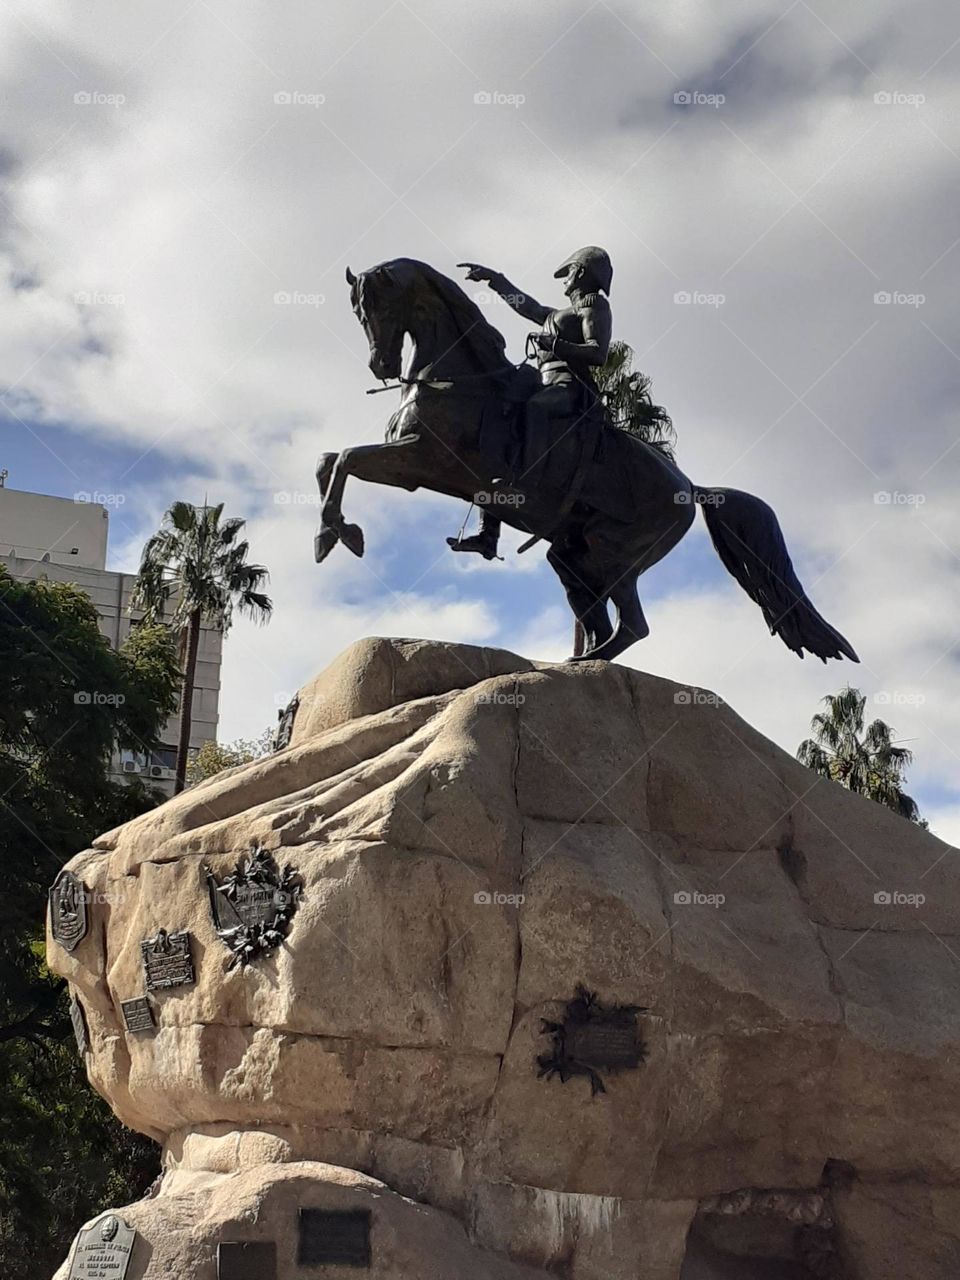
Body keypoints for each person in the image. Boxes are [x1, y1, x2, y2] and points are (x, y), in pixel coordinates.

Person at [447, 247, 613, 560]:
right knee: (499, 414)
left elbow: (597, 353)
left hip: (570, 387)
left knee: (535, 407)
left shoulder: (593, 305)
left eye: (568, 273)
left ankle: (526, 483)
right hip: (546, 382)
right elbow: (529, 307)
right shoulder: (559, 315)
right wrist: (496, 280)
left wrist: (556, 344)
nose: (564, 280)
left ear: (580, 273)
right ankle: (488, 534)